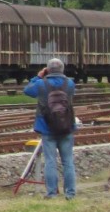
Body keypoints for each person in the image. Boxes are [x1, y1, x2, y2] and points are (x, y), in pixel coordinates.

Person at [23, 57, 77, 199]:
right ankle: (70, 193)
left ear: (48, 70)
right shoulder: (70, 84)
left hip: (47, 127)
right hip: (67, 127)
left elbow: (27, 91)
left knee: (50, 161)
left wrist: (38, 76)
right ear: (62, 69)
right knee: (68, 161)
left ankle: (52, 193)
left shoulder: (41, 84)